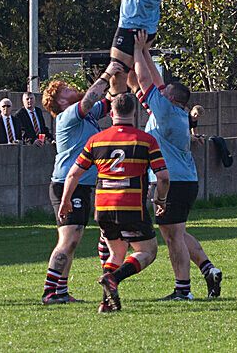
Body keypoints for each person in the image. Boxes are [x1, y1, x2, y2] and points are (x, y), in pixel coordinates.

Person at [130, 30, 222, 300]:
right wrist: (147, 51)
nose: (161, 91)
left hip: (170, 181)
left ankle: (183, 290)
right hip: (186, 180)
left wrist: (136, 50)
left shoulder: (166, 112)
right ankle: (208, 269)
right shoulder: (178, 111)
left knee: (172, 238)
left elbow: (146, 79)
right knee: (177, 232)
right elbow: (157, 82)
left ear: (170, 99)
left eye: (165, 93)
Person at [59, 93, 170, 313]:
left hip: (104, 208)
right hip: (131, 208)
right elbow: (163, 176)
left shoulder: (96, 140)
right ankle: (114, 279)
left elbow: (73, 174)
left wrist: (65, 202)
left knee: (116, 253)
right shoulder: (145, 140)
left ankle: (105, 304)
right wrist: (161, 199)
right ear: (135, 113)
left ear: (111, 114)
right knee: (148, 252)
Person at [39, 63, 122, 304]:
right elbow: (88, 101)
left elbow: (110, 99)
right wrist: (106, 74)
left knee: (73, 240)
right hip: (67, 184)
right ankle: (49, 292)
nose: (70, 87)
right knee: (69, 239)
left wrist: (120, 71)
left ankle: (61, 292)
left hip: (83, 184)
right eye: (64, 89)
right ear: (60, 102)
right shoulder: (69, 114)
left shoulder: (85, 114)